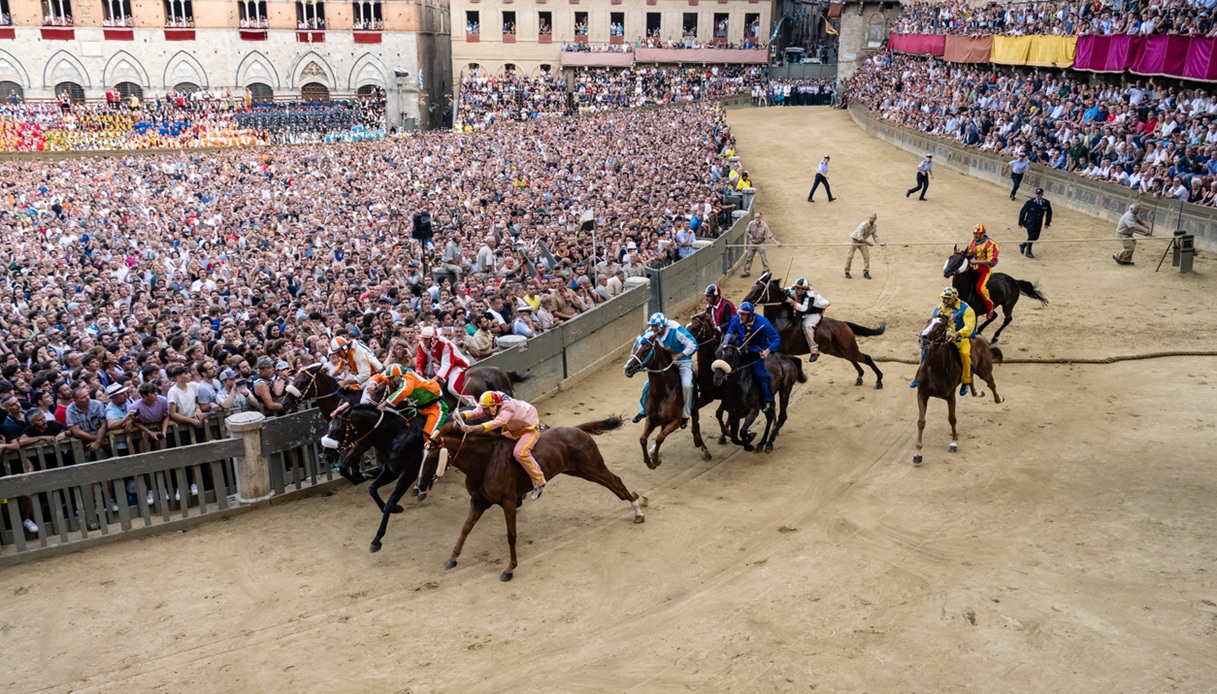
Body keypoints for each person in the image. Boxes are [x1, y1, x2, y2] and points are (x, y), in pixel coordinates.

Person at [454, 391, 546, 500]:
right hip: (513, 430)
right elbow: (478, 411)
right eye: (484, 408)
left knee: (520, 453)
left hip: (528, 429)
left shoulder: (508, 408)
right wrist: (463, 415)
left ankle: (539, 480)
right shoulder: (494, 402)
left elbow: (496, 423)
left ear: (493, 406)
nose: (484, 411)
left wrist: (474, 428)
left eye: (486, 408)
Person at [631, 312, 698, 427]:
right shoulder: (652, 332)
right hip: (667, 363)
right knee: (647, 385)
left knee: (687, 385)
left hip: (683, 362)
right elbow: (639, 342)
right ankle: (642, 411)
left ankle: (686, 414)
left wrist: (679, 355)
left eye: (654, 326)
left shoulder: (676, 330)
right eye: (651, 326)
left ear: (661, 326)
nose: (652, 328)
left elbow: (693, 344)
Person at [911, 287, 977, 396]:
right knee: (925, 350)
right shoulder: (940, 307)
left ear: (954, 298)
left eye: (947, 298)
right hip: (943, 337)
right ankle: (919, 375)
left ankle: (966, 380)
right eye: (943, 298)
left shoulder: (966, 309)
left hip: (960, 338)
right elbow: (933, 321)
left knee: (965, 355)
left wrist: (956, 334)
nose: (944, 300)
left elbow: (970, 327)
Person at [722, 301, 781, 413]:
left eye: (744, 314)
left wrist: (767, 351)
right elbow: (729, 333)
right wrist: (727, 344)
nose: (741, 316)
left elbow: (776, 339)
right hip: (740, 351)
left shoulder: (763, 323)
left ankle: (767, 399)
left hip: (755, 353)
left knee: (760, 374)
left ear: (750, 315)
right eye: (740, 313)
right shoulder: (735, 320)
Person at [375, 364, 447, 442]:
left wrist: (384, 404)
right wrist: (373, 383)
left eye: (390, 379)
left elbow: (406, 390)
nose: (388, 381)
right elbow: (379, 377)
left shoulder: (409, 377)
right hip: (420, 409)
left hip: (435, 408)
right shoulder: (398, 378)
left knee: (428, 437)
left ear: (396, 377)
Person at [415, 325, 471, 403]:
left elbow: (447, 364)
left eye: (426, 339)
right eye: (423, 338)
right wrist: (418, 371)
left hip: (456, 365)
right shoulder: (422, 344)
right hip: (439, 366)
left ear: (433, 339)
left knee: (452, 388)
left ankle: (473, 404)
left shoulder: (445, 344)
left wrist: (435, 379)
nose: (424, 341)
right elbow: (421, 360)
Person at [784, 278, 829, 362]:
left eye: (798, 288)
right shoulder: (795, 289)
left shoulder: (810, 295)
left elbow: (805, 309)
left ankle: (814, 350)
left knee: (806, 325)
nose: (795, 290)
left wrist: (793, 303)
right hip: (804, 311)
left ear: (804, 290)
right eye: (796, 287)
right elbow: (785, 290)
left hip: (814, 312)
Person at [966, 224, 999, 320]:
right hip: (974, 267)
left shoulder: (991, 244)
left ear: (983, 233)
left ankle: (990, 306)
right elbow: (970, 252)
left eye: (978, 234)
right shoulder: (973, 242)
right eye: (974, 233)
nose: (975, 236)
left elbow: (991, 261)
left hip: (985, 269)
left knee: (980, 288)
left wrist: (975, 261)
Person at [844, 213, 884, 279]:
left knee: (866, 257)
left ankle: (866, 272)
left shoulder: (874, 227)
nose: (872, 220)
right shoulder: (863, 225)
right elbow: (859, 237)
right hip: (854, 240)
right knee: (850, 256)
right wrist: (868, 243)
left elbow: (875, 237)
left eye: (873, 218)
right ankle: (847, 271)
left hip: (863, 242)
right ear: (869, 218)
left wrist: (880, 243)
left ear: (875, 219)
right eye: (871, 218)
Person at [741, 211, 781, 278]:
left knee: (764, 258)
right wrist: (749, 235)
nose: (757, 219)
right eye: (756, 217)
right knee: (748, 258)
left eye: (758, 217)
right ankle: (746, 272)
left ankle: (766, 271)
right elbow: (747, 230)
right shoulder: (751, 223)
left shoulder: (764, 226)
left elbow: (769, 235)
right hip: (752, 243)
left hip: (760, 243)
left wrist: (776, 242)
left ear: (761, 217)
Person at [1017, 188, 1053, 259]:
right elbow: (1023, 212)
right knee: (1031, 237)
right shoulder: (1030, 202)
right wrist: (1021, 222)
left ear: (1042, 194)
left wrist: (1047, 223)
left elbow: (1049, 213)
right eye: (1037, 194)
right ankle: (1028, 252)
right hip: (1030, 223)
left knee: (1035, 237)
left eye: (1039, 194)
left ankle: (1023, 244)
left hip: (1038, 223)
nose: (1038, 195)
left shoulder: (1046, 203)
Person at [1114, 202, 1151, 266]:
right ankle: (1120, 257)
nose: (1138, 211)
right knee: (1130, 247)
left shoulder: (1133, 214)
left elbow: (1138, 220)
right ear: (1131, 209)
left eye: (1139, 209)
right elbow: (1134, 226)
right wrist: (1144, 230)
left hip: (1127, 233)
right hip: (1122, 234)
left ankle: (1123, 258)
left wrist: (1144, 225)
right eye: (1137, 209)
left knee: (1132, 244)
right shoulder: (1128, 216)